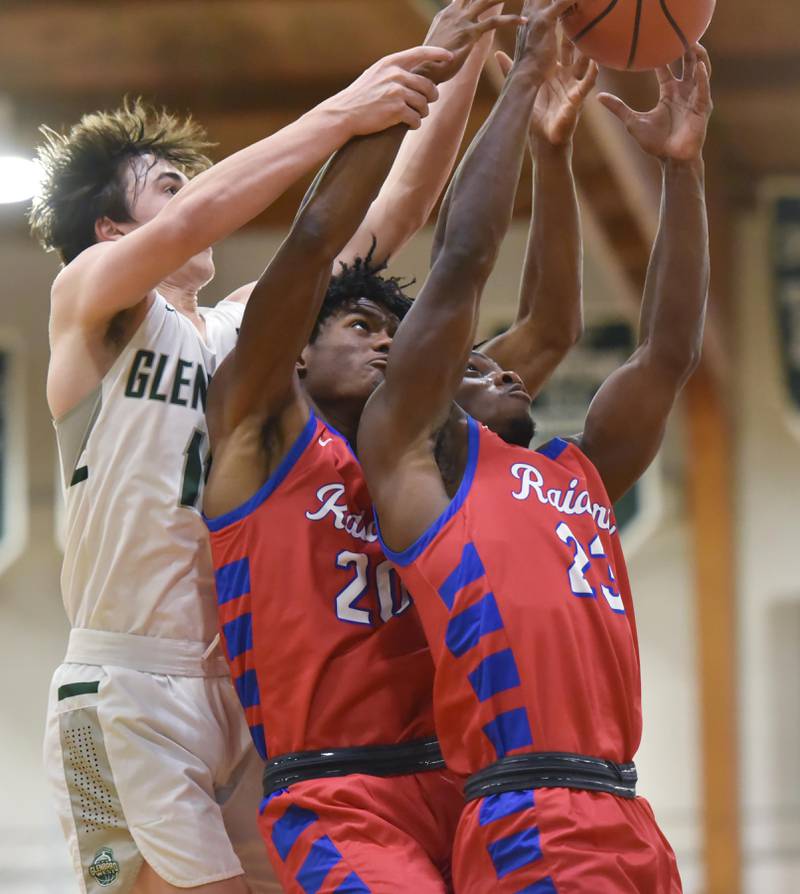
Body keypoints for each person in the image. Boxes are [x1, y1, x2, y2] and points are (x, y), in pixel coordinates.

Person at [31, 38, 457, 894]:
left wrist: (463, 43)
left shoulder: (240, 334)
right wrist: (345, 110)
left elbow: (399, 208)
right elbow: (201, 219)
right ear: (112, 232)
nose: (196, 198)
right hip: (127, 683)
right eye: (170, 184)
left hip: (246, 682)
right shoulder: (91, 303)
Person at [357, 1, 713, 889]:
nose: (506, 370)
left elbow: (667, 351)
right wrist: (517, 82)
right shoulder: (419, 465)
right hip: (530, 815)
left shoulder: (579, 472)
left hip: (630, 812)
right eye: (475, 367)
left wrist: (683, 170)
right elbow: (464, 258)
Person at [202, 3, 549, 890]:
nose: (385, 342)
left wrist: (549, 138)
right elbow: (317, 241)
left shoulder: (418, 456)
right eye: (359, 324)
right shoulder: (258, 426)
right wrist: (408, 82)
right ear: (299, 351)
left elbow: (537, 327)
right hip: (338, 791)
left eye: (391, 329)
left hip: (463, 785)